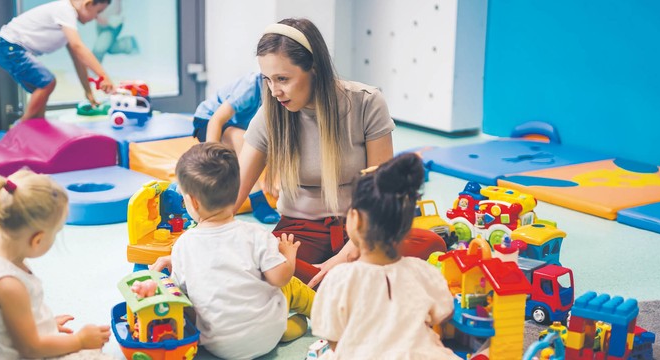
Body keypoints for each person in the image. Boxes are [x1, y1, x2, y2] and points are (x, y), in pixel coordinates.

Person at [235, 18, 446, 287]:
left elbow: (382, 194)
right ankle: (349, 282)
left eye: (283, 79)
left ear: (313, 68)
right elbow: (233, 195)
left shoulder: (367, 102)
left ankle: (329, 282)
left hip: (363, 229)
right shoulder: (270, 115)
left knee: (433, 243)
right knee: (259, 259)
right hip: (298, 233)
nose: (274, 91)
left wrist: (347, 256)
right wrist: (194, 243)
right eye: (267, 80)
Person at [149, 143, 314, 359]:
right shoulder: (256, 234)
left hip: (219, 345)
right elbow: (280, 278)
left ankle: (284, 328)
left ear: (193, 202)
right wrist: (288, 256)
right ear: (237, 192)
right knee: (289, 284)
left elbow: (183, 296)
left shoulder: (183, 244)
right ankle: (321, 313)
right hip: (268, 335)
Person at [310, 153, 460, 359]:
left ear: (356, 220)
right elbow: (443, 313)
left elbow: (333, 339)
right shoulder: (423, 271)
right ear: (407, 226)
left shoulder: (339, 279)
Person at [0, 169, 113, 360]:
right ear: (37, 239)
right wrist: (79, 341)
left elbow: (5, 322)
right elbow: (31, 348)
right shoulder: (9, 285)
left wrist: (44, 324)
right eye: (56, 232)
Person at [0, 0, 115, 123]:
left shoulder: (68, 23)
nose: (96, 17)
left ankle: (38, 124)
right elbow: (78, 47)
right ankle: (21, 127)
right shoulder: (66, 10)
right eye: (98, 11)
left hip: (8, 48)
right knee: (47, 82)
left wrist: (88, 92)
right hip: (9, 47)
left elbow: (78, 60)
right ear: (88, 4)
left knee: (41, 90)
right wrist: (103, 76)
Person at [193, 71, 280, 224]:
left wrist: (271, 176)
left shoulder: (281, 96)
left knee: (249, 137)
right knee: (242, 138)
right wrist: (211, 159)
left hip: (236, 126)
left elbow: (273, 138)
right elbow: (216, 120)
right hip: (207, 120)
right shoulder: (250, 87)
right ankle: (257, 199)